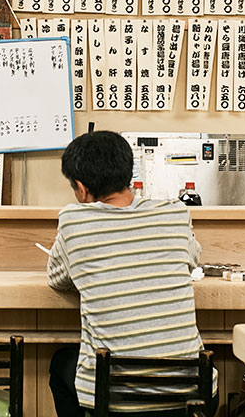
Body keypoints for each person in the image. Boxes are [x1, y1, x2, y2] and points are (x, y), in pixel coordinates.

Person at [46, 130, 217, 416]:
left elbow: (56, 278)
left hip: (114, 402)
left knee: (61, 363)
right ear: (129, 173)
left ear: (81, 187)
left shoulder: (74, 220)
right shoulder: (175, 212)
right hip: (192, 399)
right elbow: (192, 258)